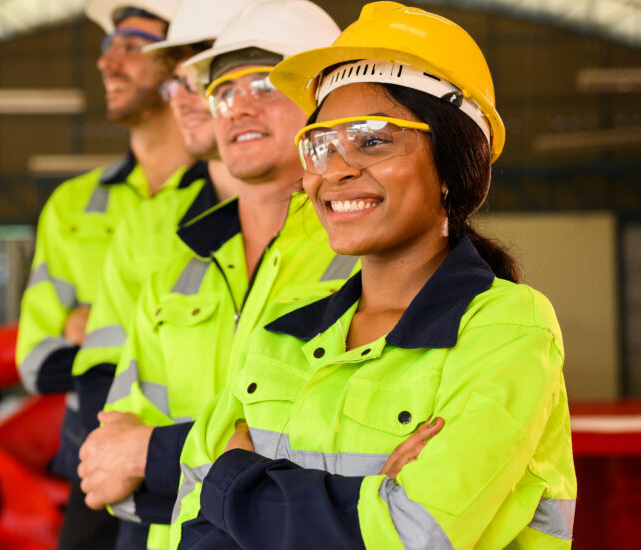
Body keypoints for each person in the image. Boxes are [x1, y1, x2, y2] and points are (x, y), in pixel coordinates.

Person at [170, 3, 577, 549]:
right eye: (321, 145)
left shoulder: (506, 330)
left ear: (452, 164)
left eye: (373, 140)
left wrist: (238, 485)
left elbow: (414, 535)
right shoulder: (280, 336)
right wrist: (369, 497)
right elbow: (190, 527)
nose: (336, 170)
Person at [74, 2, 357, 548]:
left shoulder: (362, 258)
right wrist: (227, 468)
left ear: (325, 105)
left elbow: (347, 456)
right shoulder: (177, 274)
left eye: (266, 86)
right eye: (223, 92)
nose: (239, 107)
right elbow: (112, 467)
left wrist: (155, 456)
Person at [14, 1, 192, 548]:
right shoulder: (72, 206)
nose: (107, 63)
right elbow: (38, 360)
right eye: (107, 48)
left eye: (132, 47)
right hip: (91, 458)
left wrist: (96, 328)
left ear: (184, 61)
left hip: (191, 456)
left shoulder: (235, 199)